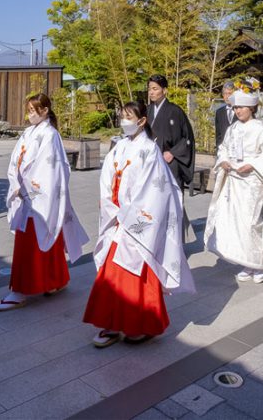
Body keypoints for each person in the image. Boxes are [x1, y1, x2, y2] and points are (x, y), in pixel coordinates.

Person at [83, 101, 195, 348]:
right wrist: (110, 206)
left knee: (129, 271)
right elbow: (107, 177)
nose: (125, 121)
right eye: (122, 116)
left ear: (142, 121)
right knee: (111, 272)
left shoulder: (149, 149)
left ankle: (138, 324)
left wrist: (131, 216)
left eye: (129, 117)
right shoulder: (120, 146)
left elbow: (154, 190)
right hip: (116, 215)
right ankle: (111, 323)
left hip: (135, 220)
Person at [0, 94, 89, 311]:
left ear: (45, 110)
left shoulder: (50, 134)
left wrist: (28, 188)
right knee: (43, 238)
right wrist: (16, 181)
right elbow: (15, 161)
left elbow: (51, 169)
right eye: (28, 109)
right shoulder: (29, 133)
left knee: (36, 238)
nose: (30, 113)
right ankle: (54, 280)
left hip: (38, 195)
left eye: (34, 109)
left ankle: (20, 290)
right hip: (26, 193)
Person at [205, 79, 263, 283]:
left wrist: (254, 165)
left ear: (252, 108)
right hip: (235, 181)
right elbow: (223, 148)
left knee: (252, 222)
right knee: (236, 222)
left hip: (252, 182)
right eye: (236, 107)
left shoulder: (260, 129)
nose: (238, 111)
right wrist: (225, 161)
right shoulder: (233, 129)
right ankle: (247, 262)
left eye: (242, 108)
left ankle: (261, 263)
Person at [147, 74, 196, 241]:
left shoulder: (175, 111)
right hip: (152, 163)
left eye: (155, 89)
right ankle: (156, 240)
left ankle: (175, 242)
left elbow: (187, 138)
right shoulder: (147, 111)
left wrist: (173, 153)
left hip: (170, 163)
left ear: (164, 90)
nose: (151, 92)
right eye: (150, 89)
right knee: (153, 202)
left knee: (172, 202)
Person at [215, 81, 237, 149]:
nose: (227, 97)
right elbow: (218, 135)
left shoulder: (241, 111)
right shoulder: (219, 112)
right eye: (225, 94)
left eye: (230, 93)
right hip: (224, 151)